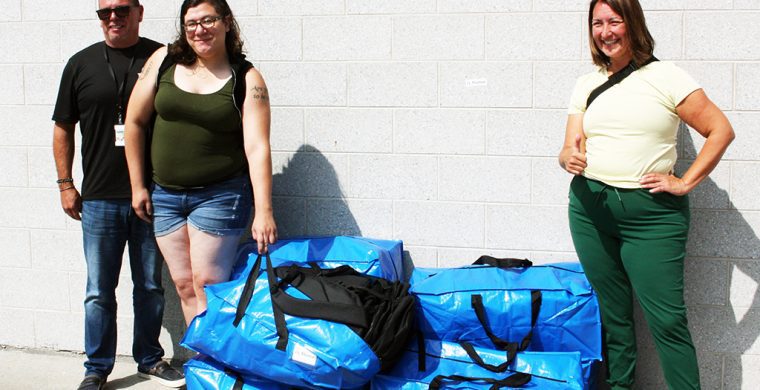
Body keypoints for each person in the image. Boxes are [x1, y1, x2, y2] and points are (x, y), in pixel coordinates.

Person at [558, 1, 734, 389]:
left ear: (632, 24)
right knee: (614, 317)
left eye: (614, 21)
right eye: (597, 23)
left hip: (652, 217)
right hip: (590, 211)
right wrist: (567, 156)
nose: (605, 32)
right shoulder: (586, 83)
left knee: (668, 321)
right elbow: (570, 146)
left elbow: (720, 130)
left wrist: (685, 182)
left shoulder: (666, 76)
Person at [52, 1, 185, 389]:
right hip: (98, 199)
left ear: (139, 11)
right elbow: (62, 127)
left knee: (149, 286)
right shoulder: (80, 64)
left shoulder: (163, 58)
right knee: (99, 290)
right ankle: (97, 367)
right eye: (104, 10)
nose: (114, 16)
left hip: (152, 196)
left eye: (122, 8)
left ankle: (149, 359)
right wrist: (65, 184)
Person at [124, 0, 277, 327]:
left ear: (225, 23)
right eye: (191, 23)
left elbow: (258, 147)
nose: (199, 30)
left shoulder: (247, 78)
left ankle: (216, 369)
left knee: (208, 284)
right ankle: (201, 365)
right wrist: (138, 185)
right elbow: (134, 122)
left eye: (208, 20)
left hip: (220, 196)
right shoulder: (162, 61)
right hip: (165, 196)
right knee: (183, 285)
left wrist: (264, 210)